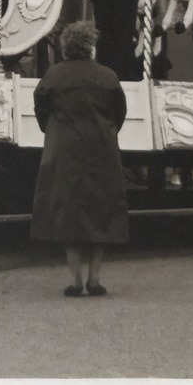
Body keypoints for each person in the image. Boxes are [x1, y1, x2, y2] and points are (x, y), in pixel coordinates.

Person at [30, 21, 129, 297]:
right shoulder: (107, 76)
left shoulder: (53, 75)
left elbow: (41, 107)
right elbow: (119, 112)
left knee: (68, 213)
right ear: (91, 46)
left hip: (65, 150)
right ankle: (95, 278)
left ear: (66, 46)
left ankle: (75, 280)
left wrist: (52, 130)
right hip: (101, 148)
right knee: (102, 213)